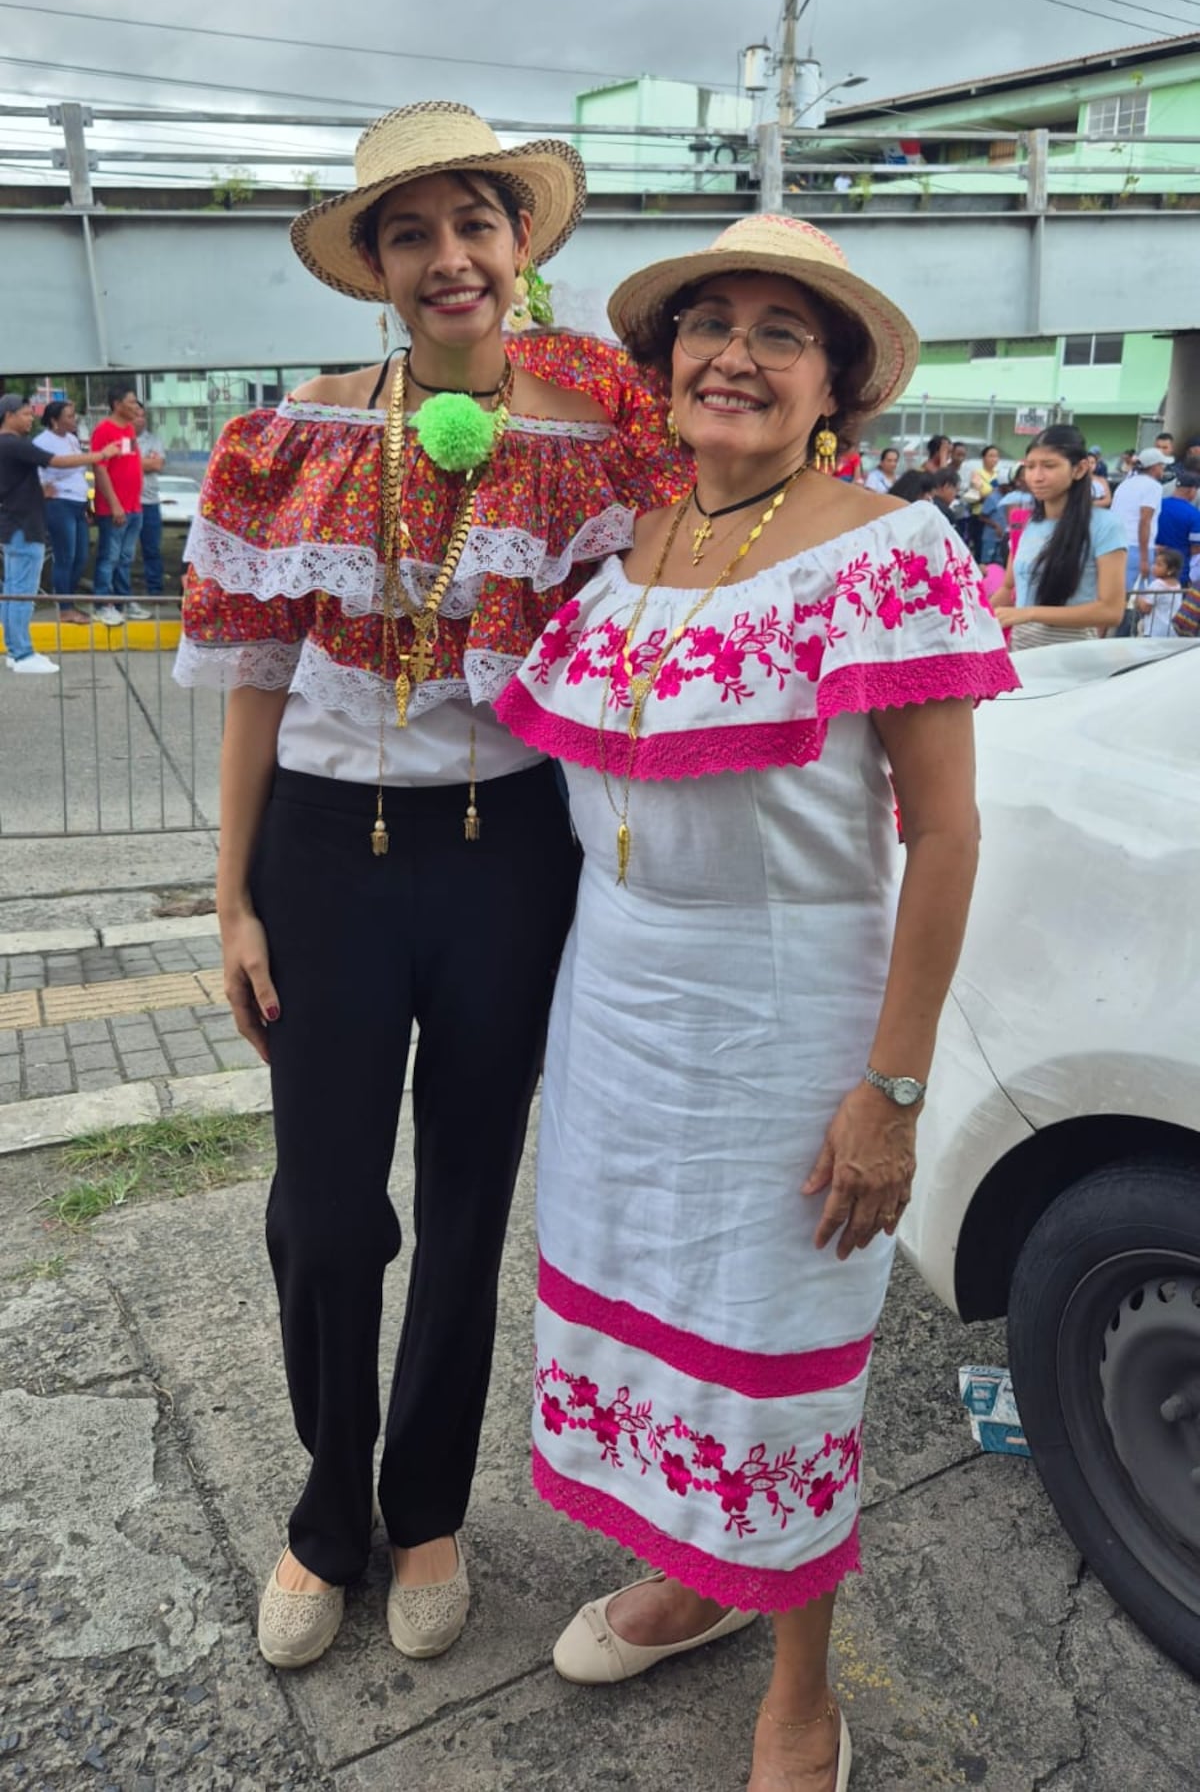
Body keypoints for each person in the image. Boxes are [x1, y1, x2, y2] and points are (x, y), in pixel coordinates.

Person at [495, 215, 1016, 1792]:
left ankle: (802, 1677)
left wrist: (896, 1089)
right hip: (621, 1012)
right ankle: (707, 1573)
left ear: (831, 382)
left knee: (778, 1345)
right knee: (656, 1318)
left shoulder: (890, 549)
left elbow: (948, 832)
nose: (734, 351)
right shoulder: (627, 551)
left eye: (780, 332)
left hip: (791, 1024)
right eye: (707, 324)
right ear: (663, 372)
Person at [175, 101, 685, 1673]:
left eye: (476, 225)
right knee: (324, 1214)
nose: (449, 257)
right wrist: (235, 897)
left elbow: (709, 553)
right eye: (413, 234)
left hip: (508, 858)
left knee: (469, 1203)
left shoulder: (600, 437)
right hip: (323, 861)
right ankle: (328, 1512)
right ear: (378, 269)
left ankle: (429, 1511)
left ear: (519, 246)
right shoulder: (296, 433)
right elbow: (256, 677)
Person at [991, 425, 1127, 650]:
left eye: (1049, 466)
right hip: (1022, 647)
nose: (1037, 476)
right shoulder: (1028, 525)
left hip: (1072, 652)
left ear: (1080, 469)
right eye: (1030, 467)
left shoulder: (1106, 526)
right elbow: (1007, 588)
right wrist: (973, 619)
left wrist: (1030, 613)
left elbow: (1111, 611)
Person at [0, 392, 94, 674]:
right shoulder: (14, 445)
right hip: (24, 527)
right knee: (21, 592)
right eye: (27, 414)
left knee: (12, 590)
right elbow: (55, 461)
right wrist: (101, 455)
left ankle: (15, 651)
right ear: (9, 415)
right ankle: (23, 653)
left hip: (15, 525)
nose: (31, 419)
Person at [92, 381, 150, 625]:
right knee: (109, 557)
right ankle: (101, 603)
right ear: (117, 405)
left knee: (126, 558)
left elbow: (129, 464)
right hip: (114, 509)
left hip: (134, 506)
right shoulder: (104, 430)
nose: (136, 406)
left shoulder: (128, 430)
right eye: (131, 402)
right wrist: (115, 504)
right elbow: (100, 469)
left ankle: (122, 601)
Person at [33, 398, 91, 621]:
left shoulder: (72, 440)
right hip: (60, 504)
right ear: (54, 421)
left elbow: (79, 471)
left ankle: (67, 597)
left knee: (81, 556)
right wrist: (42, 488)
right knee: (65, 556)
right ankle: (65, 608)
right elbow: (35, 471)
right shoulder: (42, 441)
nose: (73, 419)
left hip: (78, 502)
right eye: (68, 415)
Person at [1111, 446, 1169, 591]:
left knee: (1119, 592)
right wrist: (1144, 559)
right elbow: (1144, 520)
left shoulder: (1125, 484)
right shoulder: (1153, 486)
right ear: (1154, 467)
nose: (1163, 469)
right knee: (1139, 597)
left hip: (1116, 543)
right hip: (1137, 547)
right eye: (1162, 465)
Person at [134, 403, 166, 598]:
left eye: (143, 415)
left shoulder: (154, 440)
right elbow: (115, 464)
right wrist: (145, 461)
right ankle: (120, 593)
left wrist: (129, 461)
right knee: (122, 552)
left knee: (152, 549)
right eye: (137, 415)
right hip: (127, 503)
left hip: (150, 502)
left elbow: (157, 464)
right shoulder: (122, 439)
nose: (141, 419)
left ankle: (155, 591)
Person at [1155, 468, 1199, 577]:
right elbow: (1196, 550)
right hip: (1179, 573)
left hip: (1156, 569)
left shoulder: (1157, 506)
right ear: (1192, 490)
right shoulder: (1194, 515)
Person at [1135, 545, 1183, 636]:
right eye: (1154, 563)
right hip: (1171, 630)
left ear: (1170, 570)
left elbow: (1146, 608)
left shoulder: (1157, 584)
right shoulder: (1177, 585)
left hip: (1155, 630)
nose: (1154, 567)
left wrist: (1138, 598)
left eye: (1159, 565)